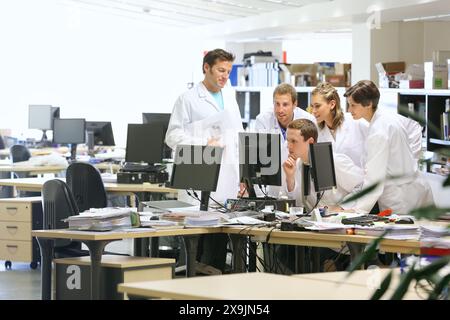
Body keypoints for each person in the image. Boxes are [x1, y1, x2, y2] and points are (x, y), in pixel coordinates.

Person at [165, 48, 243, 273]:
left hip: (225, 181)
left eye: (228, 72)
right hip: (196, 180)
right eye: (220, 70)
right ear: (206, 68)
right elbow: (172, 136)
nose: (224, 76)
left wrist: (242, 176)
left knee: (217, 248)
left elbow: (237, 138)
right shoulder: (187, 99)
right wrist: (203, 143)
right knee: (192, 250)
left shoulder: (230, 96)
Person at [344, 80, 433, 215]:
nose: (349, 110)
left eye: (353, 105)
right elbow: (415, 127)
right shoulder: (389, 118)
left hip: (400, 199)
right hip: (414, 190)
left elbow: (375, 178)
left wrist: (358, 210)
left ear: (368, 104)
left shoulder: (379, 131)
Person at [254, 83, 316, 198]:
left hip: (299, 180)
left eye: (285, 104)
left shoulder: (307, 120)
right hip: (271, 185)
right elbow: (259, 158)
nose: (280, 110)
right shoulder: (263, 120)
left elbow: (311, 156)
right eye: (277, 104)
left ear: (295, 104)